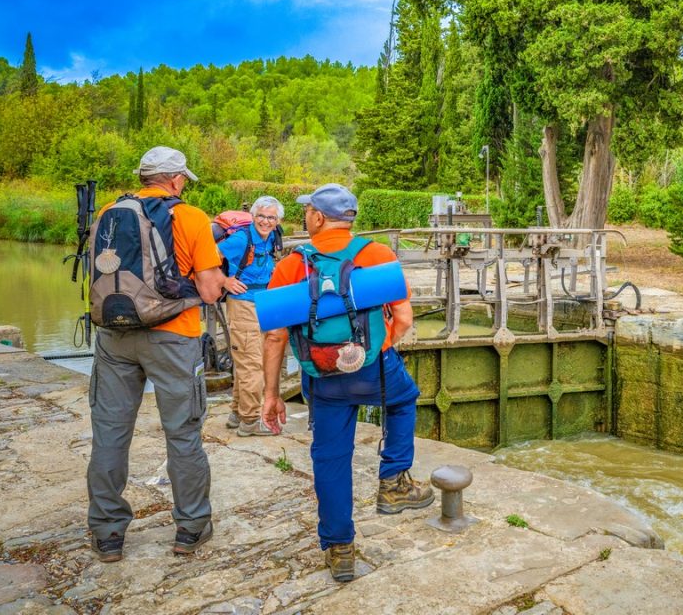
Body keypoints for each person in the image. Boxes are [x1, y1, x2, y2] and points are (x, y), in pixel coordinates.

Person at [261, 183, 434, 583]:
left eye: (307, 211)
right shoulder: (377, 254)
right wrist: (377, 349)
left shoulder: (292, 264)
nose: (304, 216)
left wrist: (271, 395)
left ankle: (340, 550)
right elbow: (404, 318)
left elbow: (274, 336)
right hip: (374, 369)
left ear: (319, 218)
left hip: (322, 378)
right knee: (404, 399)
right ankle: (394, 480)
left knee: (330, 457)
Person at [87, 146, 246, 562]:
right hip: (173, 338)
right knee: (183, 434)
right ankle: (191, 527)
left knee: (109, 434)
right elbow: (211, 291)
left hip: (113, 336)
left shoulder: (107, 211)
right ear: (176, 180)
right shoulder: (190, 217)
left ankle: (108, 535)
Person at [218, 195, 284, 437]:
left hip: (264, 302)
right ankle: (250, 420)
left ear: (278, 221)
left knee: (250, 360)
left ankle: (237, 413)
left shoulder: (274, 236)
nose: (265, 222)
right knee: (252, 364)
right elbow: (207, 258)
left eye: (271, 217)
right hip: (243, 304)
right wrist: (224, 281)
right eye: (261, 216)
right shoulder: (240, 239)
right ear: (253, 216)